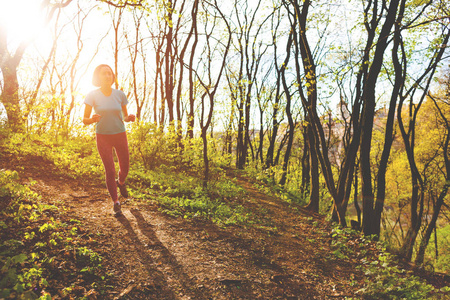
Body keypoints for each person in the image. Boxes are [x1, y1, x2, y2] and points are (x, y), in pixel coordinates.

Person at [83, 64, 135, 216]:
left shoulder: (120, 95)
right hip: (103, 136)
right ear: (98, 77)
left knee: (124, 168)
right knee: (110, 170)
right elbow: (85, 119)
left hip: (120, 134)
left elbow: (124, 116)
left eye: (110, 74)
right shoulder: (91, 95)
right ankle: (116, 202)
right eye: (104, 73)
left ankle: (121, 182)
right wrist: (92, 119)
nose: (108, 76)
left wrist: (129, 118)